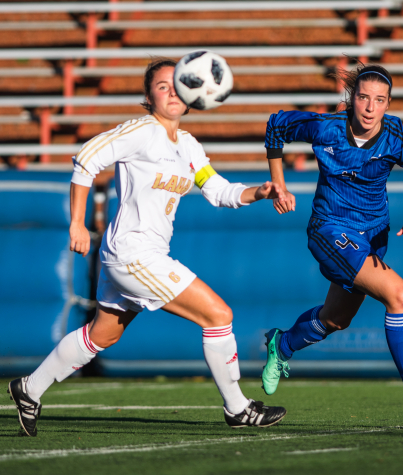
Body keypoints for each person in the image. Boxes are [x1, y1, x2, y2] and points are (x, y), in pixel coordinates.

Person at [9, 57, 287, 437]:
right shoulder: (141, 131)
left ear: (192, 93)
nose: (171, 91)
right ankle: (238, 408)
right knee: (218, 315)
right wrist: (77, 223)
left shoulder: (188, 146)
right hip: (132, 253)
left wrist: (261, 191)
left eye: (177, 84)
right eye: (161, 86)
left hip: (141, 255)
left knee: (102, 335)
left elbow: (219, 191)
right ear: (148, 96)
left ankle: (28, 389)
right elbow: (86, 160)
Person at [261, 63, 403, 420]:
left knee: (335, 320)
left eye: (379, 100)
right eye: (363, 97)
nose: (369, 107)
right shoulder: (326, 128)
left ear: (388, 104)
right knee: (399, 295)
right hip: (329, 229)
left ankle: (281, 343)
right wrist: (279, 183)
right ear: (352, 99)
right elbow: (276, 125)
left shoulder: (394, 136)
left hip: (373, 236)